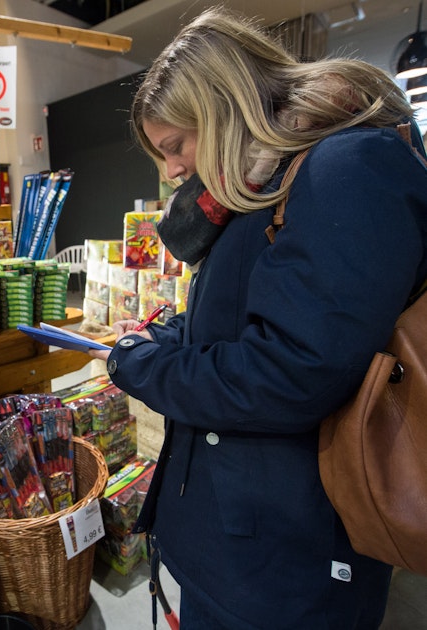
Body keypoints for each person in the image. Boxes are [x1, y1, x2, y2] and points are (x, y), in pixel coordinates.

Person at [88, 7, 427, 629]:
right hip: (235, 536)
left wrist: (144, 365)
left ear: (224, 108)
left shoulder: (348, 169)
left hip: (286, 557)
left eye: (175, 146)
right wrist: (166, 335)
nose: (171, 172)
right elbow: (243, 321)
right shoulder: (263, 183)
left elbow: (289, 373)